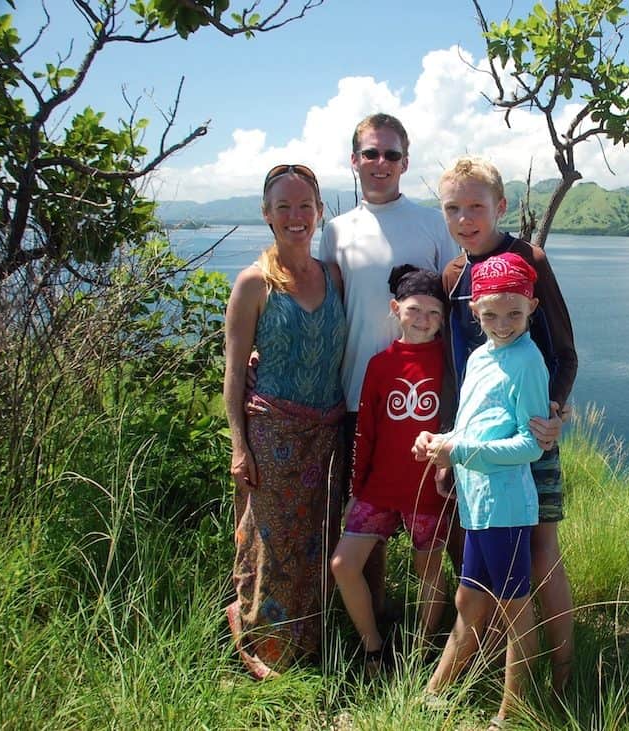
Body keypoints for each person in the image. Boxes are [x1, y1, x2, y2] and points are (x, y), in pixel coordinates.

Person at [436, 156, 578, 695]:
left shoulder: (528, 259)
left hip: (530, 435)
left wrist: (555, 413)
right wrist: (453, 439)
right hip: (474, 448)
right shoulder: (454, 276)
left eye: (477, 206)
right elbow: (455, 365)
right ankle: (496, 670)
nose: (466, 218)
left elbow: (565, 354)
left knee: (541, 555)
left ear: (499, 205)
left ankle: (563, 676)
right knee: (485, 566)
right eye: (454, 208)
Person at [319, 113, 458, 621]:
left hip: (425, 402)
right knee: (367, 520)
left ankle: (446, 636)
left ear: (405, 161)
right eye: (371, 153)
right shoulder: (336, 230)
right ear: (355, 160)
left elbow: (454, 311)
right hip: (356, 392)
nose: (381, 163)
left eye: (391, 154)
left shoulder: (429, 225)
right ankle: (373, 634)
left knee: (436, 523)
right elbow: (328, 306)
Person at [223, 163, 346, 679]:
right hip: (272, 430)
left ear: (319, 211)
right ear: (267, 214)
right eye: (284, 207)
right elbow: (233, 373)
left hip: (328, 432)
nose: (295, 216)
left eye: (305, 206)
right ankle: (261, 642)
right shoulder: (255, 283)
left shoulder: (334, 275)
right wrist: (239, 445)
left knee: (318, 537)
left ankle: (309, 641)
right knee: (270, 539)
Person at [418, 253, 548, 729]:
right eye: (490, 313)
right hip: (476, 506)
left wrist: (462, 452)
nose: (503, 323)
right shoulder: (479, 357)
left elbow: (531, 443)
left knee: (514, 610)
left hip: (506, 508)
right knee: (469, 601)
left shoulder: (528, 362)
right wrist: (440, 442)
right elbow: (474, 425)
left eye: (514, 313)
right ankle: (435, 694)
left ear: (531, 306)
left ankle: (511, 715)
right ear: (473, 309)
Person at [329, 265, 451, 673]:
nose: (424, 320)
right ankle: (373, 647)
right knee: (344, 565)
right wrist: (355, 490)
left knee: (428, 571)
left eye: (435, 314)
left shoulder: (450, 363)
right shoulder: (380, 364)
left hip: (427, 490)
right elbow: (366, 433)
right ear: (396, 308)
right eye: (415, 309)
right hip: (379, 487)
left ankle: (419, 653)